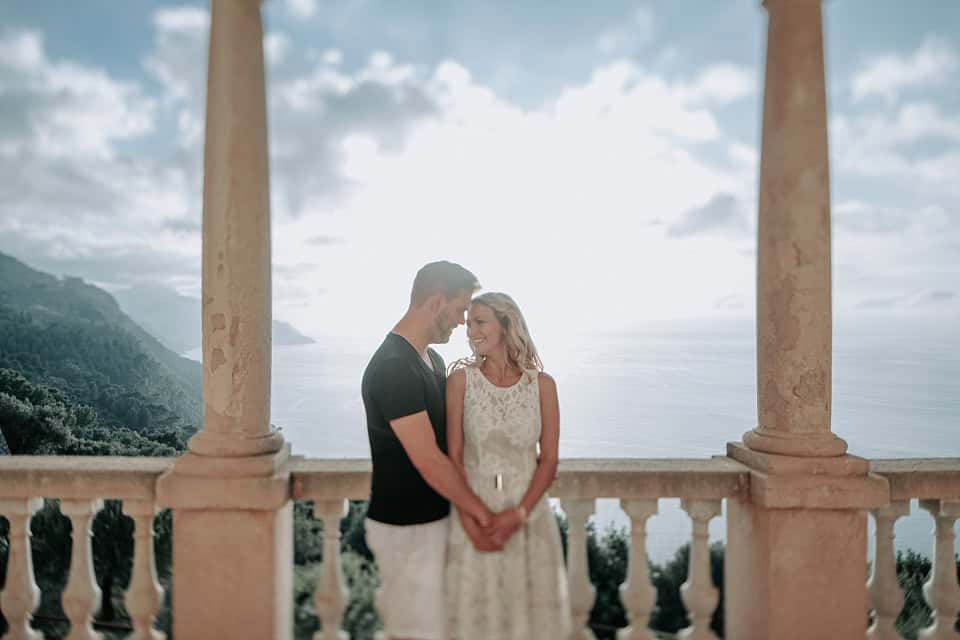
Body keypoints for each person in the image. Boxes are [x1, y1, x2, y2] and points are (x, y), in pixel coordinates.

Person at [360, 261, 499, 640]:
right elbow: (430, 461)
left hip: (431, 524)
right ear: (437, 302)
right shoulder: (393, 368)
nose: (461, 323)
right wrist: (480, 513)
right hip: (406, 529)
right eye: (459, 311)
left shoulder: (430, 360)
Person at [445, 292, 571, 640]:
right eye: (468, 323)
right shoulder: (459, 382)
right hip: (477, 517)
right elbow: (453, 458)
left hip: (528, 521)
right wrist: (471, 524)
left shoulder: (542, 386)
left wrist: (518, 515)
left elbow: (548, 460)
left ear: (506, 324)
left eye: (479, 322)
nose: (471, 331)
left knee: (530, 625)